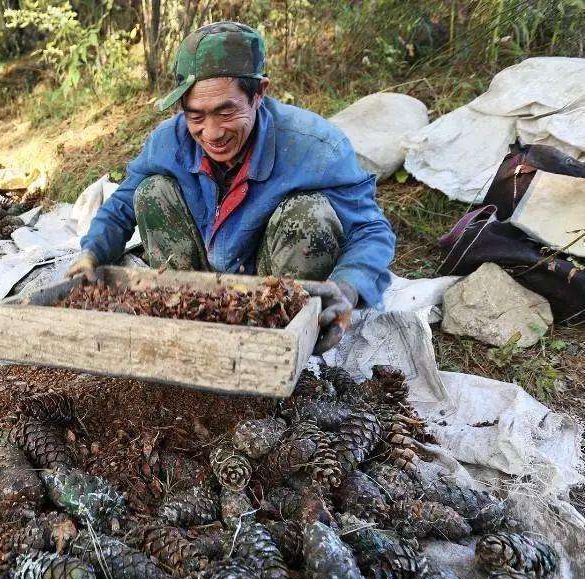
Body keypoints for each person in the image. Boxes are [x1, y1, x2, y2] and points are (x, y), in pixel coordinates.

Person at [68, 22, 396, 353]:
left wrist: (347, 288)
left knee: (310, 213)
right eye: (195, 116)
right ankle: (183, 322)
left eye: (226, 112)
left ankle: (281, 339)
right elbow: (122, 205)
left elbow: (370, 231)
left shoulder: (315, 147)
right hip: (195, 285)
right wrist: (92, 253)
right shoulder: (168, 141)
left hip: (271, 288)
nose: (211, 133)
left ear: (259, 93)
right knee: (151, 191)